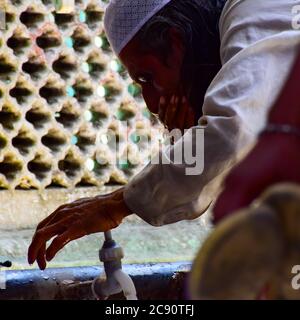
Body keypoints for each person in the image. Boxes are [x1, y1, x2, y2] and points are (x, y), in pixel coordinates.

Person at [28, 0, 300, 270]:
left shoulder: (257, 10)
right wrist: (191, 144)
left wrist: (116, 205)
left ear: (175, 41)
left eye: (146, 78)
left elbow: (231, 134)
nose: (150, 103)